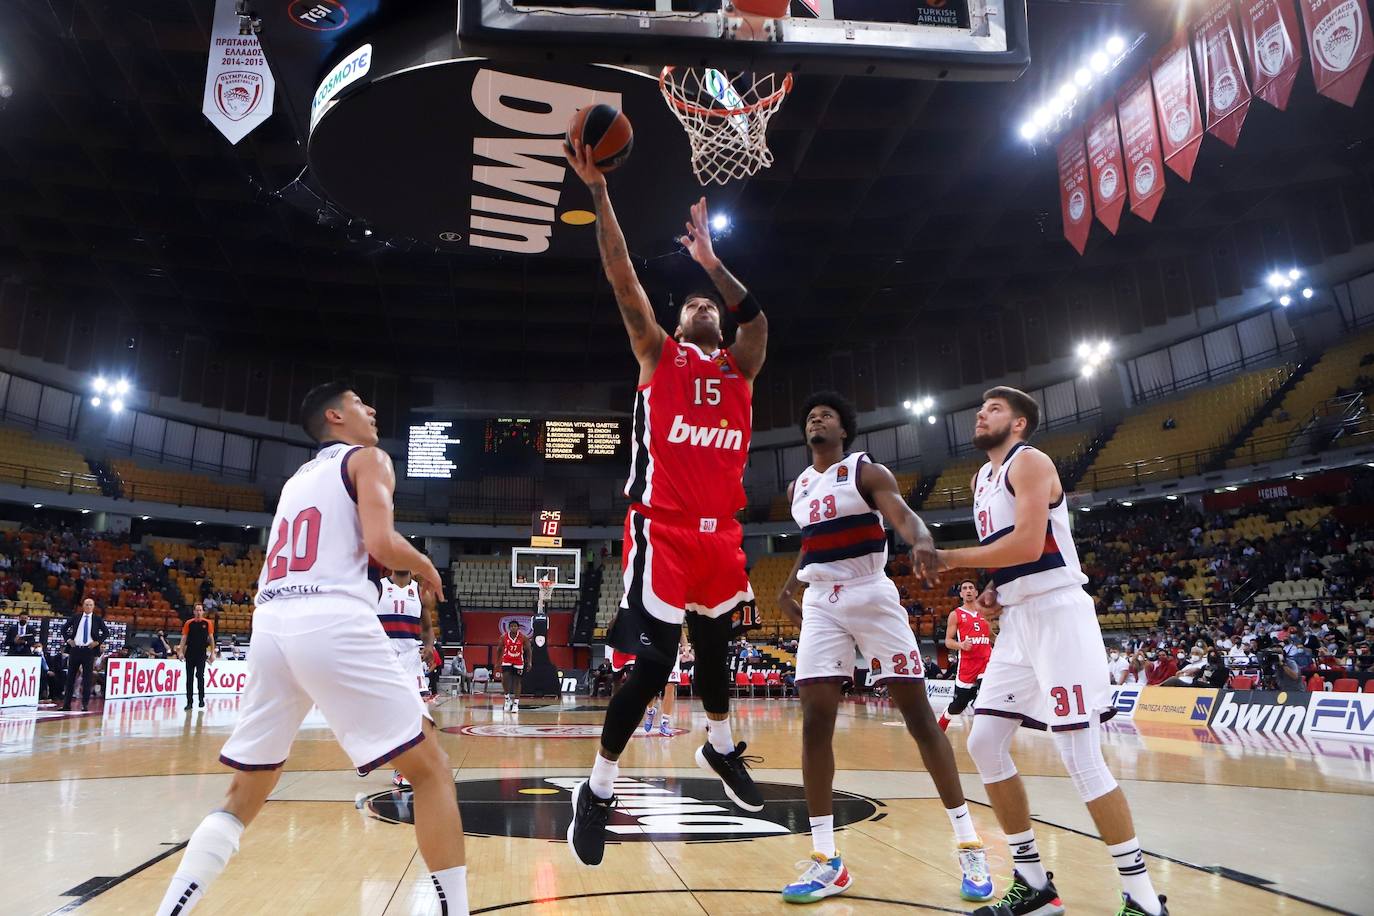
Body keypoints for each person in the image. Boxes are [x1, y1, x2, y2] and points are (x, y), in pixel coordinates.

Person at [154, 383, 468, 916]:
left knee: (243, 793)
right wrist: (424, 563)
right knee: (432, 770)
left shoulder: (296, 480)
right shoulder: (369, 459)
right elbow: (381, 543)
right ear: (334, 416)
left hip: (271, 624)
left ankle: (170, 910)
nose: (372, 410)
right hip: (331, 617)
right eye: (359, 403)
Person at [565, 139, 768, 869]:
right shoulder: (660, 354)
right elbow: (622, 278)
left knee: (716, 654)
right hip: (663, 532)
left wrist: (712, 262)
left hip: (724, 539)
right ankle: (597, 789)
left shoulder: (740, 366)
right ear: (677, 328)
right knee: (650, 672)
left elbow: (760, 322)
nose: (703, 305)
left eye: (710, 301)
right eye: (692, 304)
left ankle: (719, 748)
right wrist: (601, 194)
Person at [937, 387, 1166, 916]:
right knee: (986, 741)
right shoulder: (980, 480)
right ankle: (1036, 885)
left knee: (1078, 754)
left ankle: (1144, 900)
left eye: (993, 409)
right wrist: (996, 590)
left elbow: (1029, 541)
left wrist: (949, 557)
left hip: (1060, 614)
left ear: (1018, 424)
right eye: (980, 408)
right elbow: (1013, 558)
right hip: (1018, 620)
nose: (980, 414)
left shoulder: (1031, 461)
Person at [775, 391, 991, 904]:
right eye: (809, 415)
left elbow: (904, 515)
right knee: (815, 723)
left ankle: (968, 843)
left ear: (843, 429)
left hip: (871, 592)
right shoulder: (798, 486)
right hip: (823, 602)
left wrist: (919, 541)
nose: (816, 418)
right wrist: (789, 586)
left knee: (918, 717)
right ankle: (827, 860)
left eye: (825, 414)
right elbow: (812, 539)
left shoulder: (866, 472)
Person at [376, 568, 437, 787]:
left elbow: (428, 627)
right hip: (384, 654)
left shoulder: (420, 592)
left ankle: (403, 769)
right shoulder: (379, 586)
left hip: (411, 655)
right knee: (384, 714)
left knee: (416, 712)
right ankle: (369, 750)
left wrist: (429, 646)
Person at [938, 580, 994, 731]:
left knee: (987, 692)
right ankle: (944, 719)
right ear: (961, 594)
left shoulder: (985, 612)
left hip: (986, 661)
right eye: (964, 588)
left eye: (971, 588)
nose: (968, 590)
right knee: (959, 705)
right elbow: (948, 641)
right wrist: (960, 645)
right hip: (967, 664)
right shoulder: (955, 614)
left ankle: (985, 726)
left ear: (976, 592)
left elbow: (990, 636)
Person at [62, 597, 108, 711]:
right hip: (75, 649)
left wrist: (97, 642)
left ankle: (85, 704)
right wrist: (68, 640)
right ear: (83, 606)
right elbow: (63, 629)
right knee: (70, 678)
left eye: (90, 605)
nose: (88, 606)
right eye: (86, 604)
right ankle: (66, 705)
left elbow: (106, 632)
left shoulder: (97, 619)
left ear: (93, 607)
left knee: (87, 678)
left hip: (89, 651)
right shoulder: (76, 617)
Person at [644, 633, 687, 738]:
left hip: (671, 650)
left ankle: (664, 722)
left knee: (670, 685)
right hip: (653, 649)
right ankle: (650, 711)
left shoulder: (675, 616)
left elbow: (679, 629)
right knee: (650, 687)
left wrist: (685, 645)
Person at [179, 604, 216, 710]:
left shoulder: (207, 623)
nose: (199, 612)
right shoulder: (188, 623)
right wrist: (181, 651)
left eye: (200, 610)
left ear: (203, 612)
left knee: (200, 676)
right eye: (197, 610)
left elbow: (211, 638)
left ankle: (201, 699)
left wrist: (212, 653)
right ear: (194, 612)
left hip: (201, 654)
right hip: (190, 654)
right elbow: (184, 638)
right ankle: (189, 702)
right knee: (189, 678)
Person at [500, 620, 529, 713]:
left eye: (515, 626)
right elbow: (499, 649)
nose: (513, 628)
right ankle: (507, 699)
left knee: (517, 681)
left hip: (518, 661)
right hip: (506, 660)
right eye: (511, 626)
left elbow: (529, 650)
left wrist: (530, 662)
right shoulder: (504, 637)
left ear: (518, 627)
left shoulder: (523, 637)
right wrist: (497, 661)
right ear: (509, 628)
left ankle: (516, 703)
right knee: (505, 679)